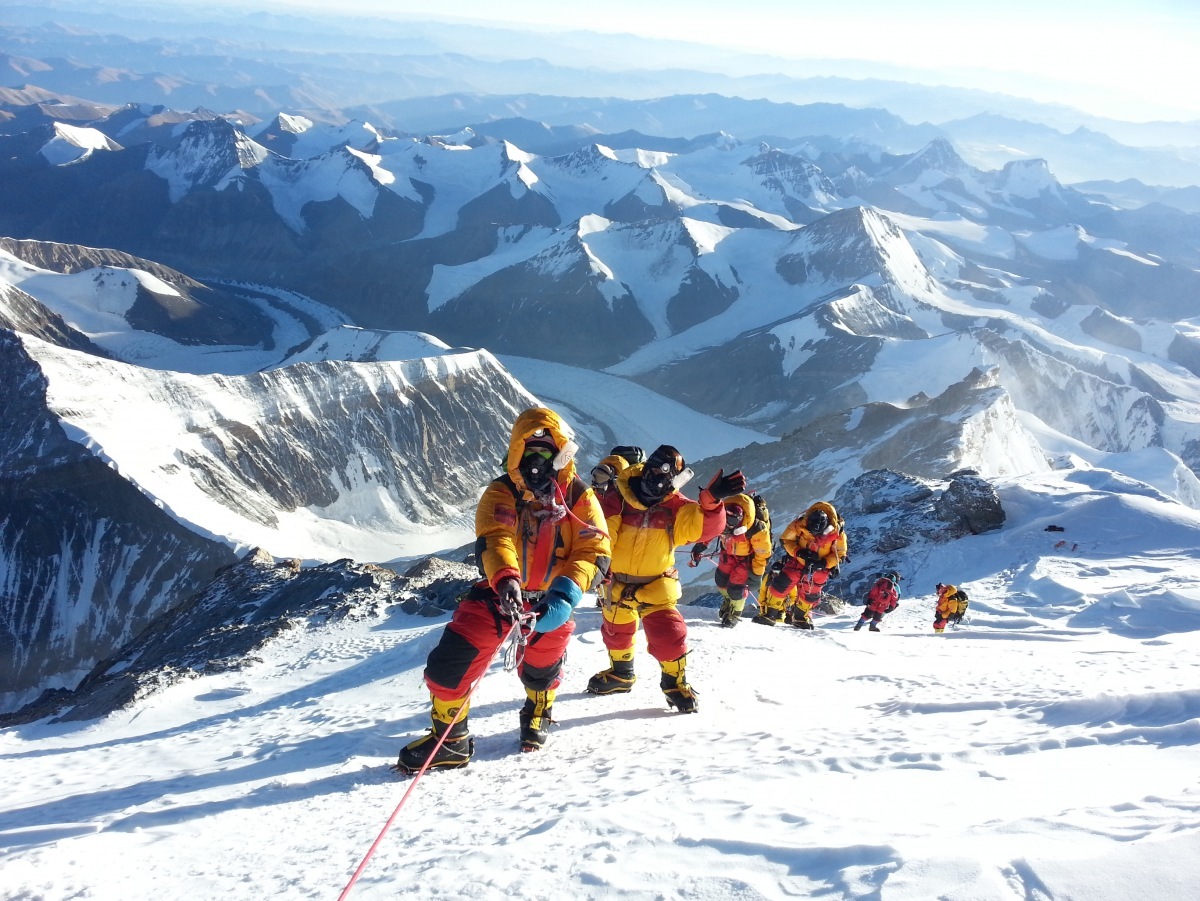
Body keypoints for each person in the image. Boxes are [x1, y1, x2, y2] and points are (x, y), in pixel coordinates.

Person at [395, 407, 611, 771]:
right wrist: (507, 578)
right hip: (500, 596)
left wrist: (566, 593)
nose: (538, 462)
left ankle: (537, 716)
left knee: (542, 669)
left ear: (561, 453)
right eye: (530, 452)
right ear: (516, 453)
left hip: (550, 600)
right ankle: (451, 742)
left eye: (546, 452)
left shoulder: (578, 497)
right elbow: (495, 539)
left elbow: (594, 548)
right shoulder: (501, 492)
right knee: (450, 665)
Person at [586, 444, 745, 712]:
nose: (656, 481)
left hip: (655, 585)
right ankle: (621, 674)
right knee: (616, 631)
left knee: (669, 634)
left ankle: (675, 683)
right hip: (616, 584)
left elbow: (702, 529)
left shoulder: (675, 506)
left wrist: (711, 502)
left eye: (665, 477)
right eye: (653, 473)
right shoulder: (617, 496)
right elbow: (596, 528)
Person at [758, 501, 845, 630]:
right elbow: (786, 540)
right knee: (782, 583)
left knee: (811, 592)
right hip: (798, 559)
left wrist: (824, 563)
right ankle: (770, 614)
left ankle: (801, 618)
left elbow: (840, 553)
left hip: (820, 566)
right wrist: (799, 552)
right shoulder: (799, 524)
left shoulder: (837, 532)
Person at [689, 493, 772, 627]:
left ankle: (734, 614)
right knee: (721, 581)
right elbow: (710, 532)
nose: (728, 525)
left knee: (736, 588)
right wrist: (699, 547)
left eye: (732, 522)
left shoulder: (756, 528)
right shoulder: (720, 520)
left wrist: (756, 572)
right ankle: (728, 602)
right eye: (726, 520)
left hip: (745, 560)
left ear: (740, 519)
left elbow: (762, 553)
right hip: (727, 553)